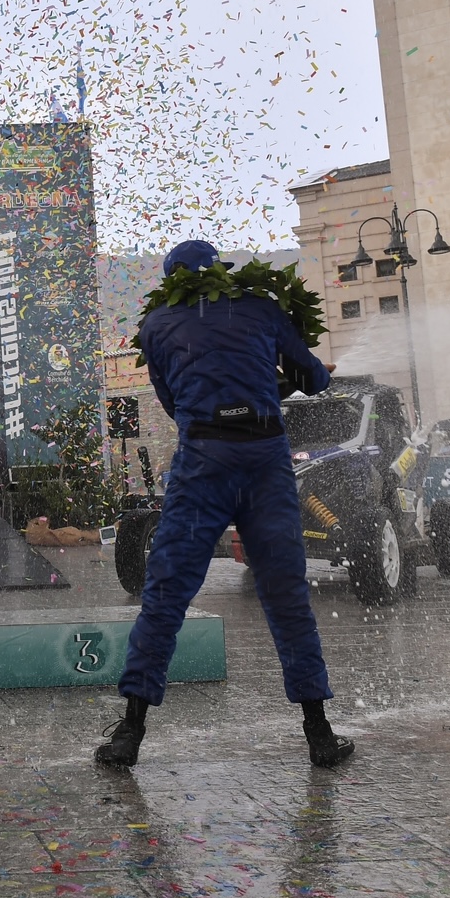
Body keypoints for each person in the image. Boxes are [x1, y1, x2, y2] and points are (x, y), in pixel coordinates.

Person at [95, 240, 353, 769]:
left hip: (203, 465)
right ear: (221, 272)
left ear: (172, 280)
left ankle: (130, 732)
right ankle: (319, 734)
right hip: (265, 462)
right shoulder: (263, 308)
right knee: (286, 595)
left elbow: (174, 406)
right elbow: (316, 379)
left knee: (165, 595)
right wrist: (267, 378)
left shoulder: (157, 326)